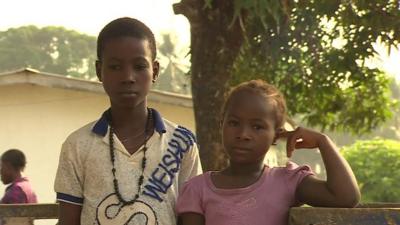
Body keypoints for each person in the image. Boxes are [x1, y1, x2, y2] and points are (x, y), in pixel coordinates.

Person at [54, 17, 202, 225]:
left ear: (155, 71)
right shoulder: (77, 145)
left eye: (140, 66)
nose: (128, 77)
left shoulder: (181, 142)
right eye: (115, 67)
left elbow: (192, 219)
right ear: (99, 71)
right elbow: (68, 221)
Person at [176, 80, 360, 225]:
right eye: (234, 123)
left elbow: (345, 197)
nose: (243, 134)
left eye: (257, 127)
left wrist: (323, 142)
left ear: (276, 136)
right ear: (221, 125)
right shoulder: (198, 189)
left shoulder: (287, 181)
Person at [1, 149, 38, 225]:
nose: (0, 171)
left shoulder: (16, 192)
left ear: (8, 166)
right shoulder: (26, 187)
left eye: (1, 167)